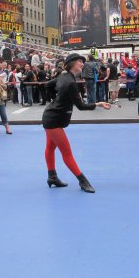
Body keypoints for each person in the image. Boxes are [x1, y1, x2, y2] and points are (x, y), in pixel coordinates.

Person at [42, 53, 110, 193]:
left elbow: (48, 85)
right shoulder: (71, 82)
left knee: (50, 148)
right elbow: (81, 106)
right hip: (54, 120)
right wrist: (99, 104)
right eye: (80, 61)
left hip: (51, 117)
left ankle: (52, 177)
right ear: (72, 63)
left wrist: (55, 99)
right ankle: (82, 181)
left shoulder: (63, 76)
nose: (82, 64)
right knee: (66, 153)